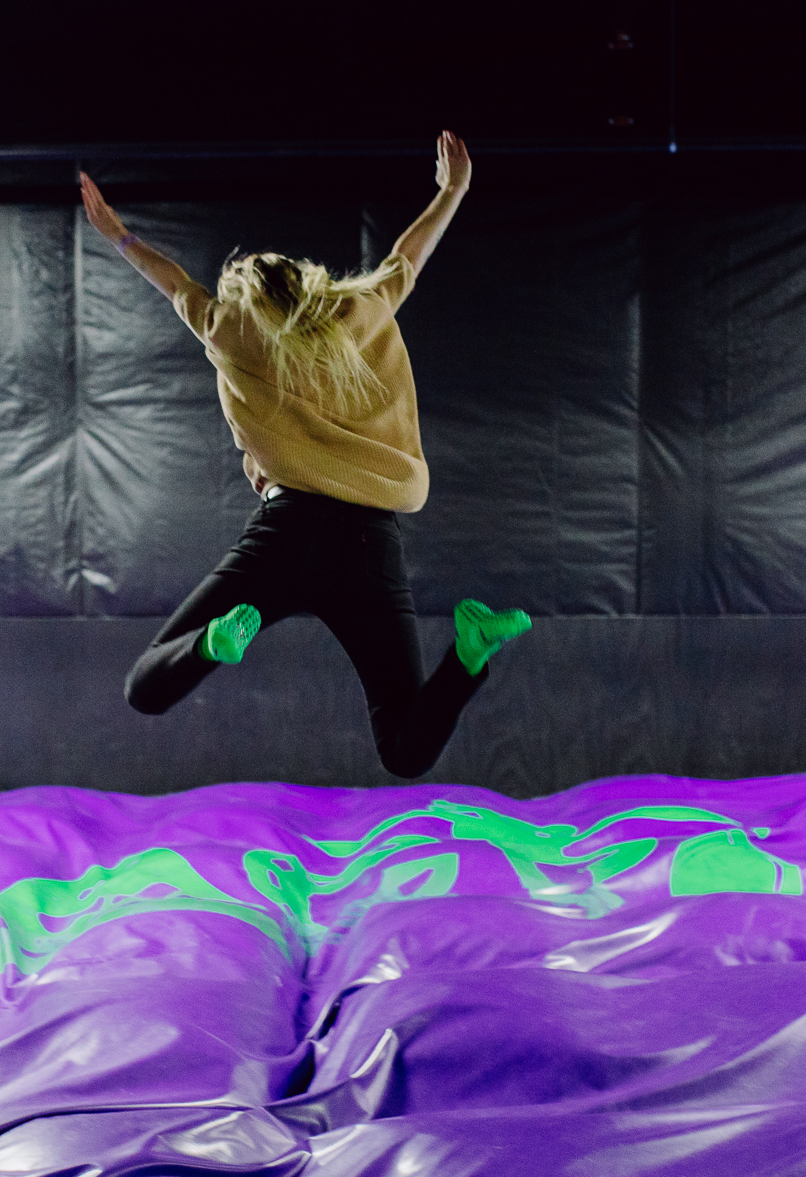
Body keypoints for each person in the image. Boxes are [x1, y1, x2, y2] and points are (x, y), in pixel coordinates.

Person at [79, 131, 530, 778]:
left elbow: (175, 284)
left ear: (247, 299)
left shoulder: (234, 330)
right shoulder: (360, 309)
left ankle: (212, 642)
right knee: (404, 750)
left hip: (285, 536)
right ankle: (469, 654)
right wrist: (451, 190)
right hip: (369, 544)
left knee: (147, 686)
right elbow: (408, 257)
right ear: (306, 286)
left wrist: (118, 232)